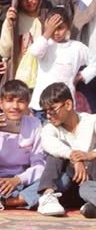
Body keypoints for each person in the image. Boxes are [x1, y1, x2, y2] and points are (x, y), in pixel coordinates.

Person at [0, 80, 45, 209]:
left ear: (27, 104)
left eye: (20, 101)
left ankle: (8, 201)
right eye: (9, 100)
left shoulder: (34, 124)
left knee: (59, 178)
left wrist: (18, 179)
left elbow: (39, 164)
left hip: (23, 179)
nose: (15, 106)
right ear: (1, 103)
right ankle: (26, 198)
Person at [36, 82, 96, 218]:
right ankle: (48, 194)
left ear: (68, 105)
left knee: (86, 188)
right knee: (56, 152)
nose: (48, 115)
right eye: (45, 112)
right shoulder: (50, 128)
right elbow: (48, 143)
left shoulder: (91, 121)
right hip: (71, 185)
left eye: (52, 110)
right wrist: (73, 157)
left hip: (91, 183)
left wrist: (90, 155)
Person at [28, 7, 96, 118]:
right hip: (42, 106)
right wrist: (47, 32)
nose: (56, 32)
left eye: (60, 28)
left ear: (68, 27)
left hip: (64, 107)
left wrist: (82, 75)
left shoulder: (77, 48)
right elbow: (35, 52)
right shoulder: (46, 45)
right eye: (53, 28)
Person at [0, 0, 47, 90]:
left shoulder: (47, 16)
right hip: (21, 79)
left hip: (43, 77)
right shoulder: (15, 19)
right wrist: (10, 25)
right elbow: (5, 52)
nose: (29, 0)